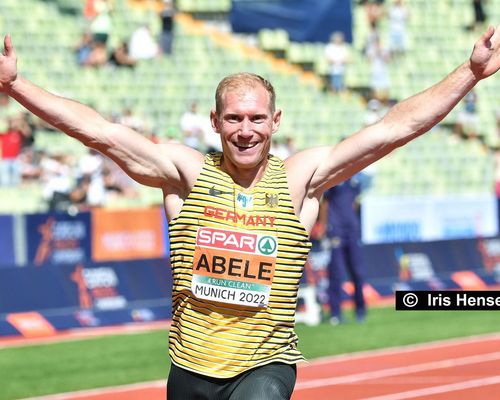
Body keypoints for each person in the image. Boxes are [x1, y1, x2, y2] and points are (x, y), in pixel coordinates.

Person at [0, 25, 499, 399]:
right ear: (215, 121)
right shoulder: (186, 174)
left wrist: (469, 74)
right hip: (189, 368)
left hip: (265, 367)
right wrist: (16, 86)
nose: (246, 130)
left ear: (275, 121)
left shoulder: (301, 178)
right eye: (234, 118)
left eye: (257, 118)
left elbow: (393, 129)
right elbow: (101, 132)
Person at [321, 172, 371, 325]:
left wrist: (354, 223)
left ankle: (360, 311)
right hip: (336, 230)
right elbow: (325, 203)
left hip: (352, 231)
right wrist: (324, 227)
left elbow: (355, 203)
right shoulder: (333, 180)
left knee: (358, 273)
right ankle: (335, 313)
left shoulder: (355, 181)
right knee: (336, 273)